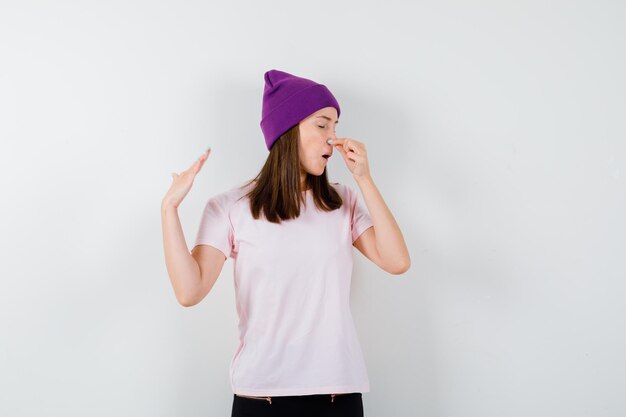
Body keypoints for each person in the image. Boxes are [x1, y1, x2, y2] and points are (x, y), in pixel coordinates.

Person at [161, 69, 411, 417]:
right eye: (322, 125)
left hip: (338, 396)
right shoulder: (230, 207)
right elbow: (190, 291)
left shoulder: (342, 201)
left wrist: (365, 179)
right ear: (288, 130)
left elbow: (396, 261)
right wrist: (169, 209)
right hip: (260, 398)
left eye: (336, 127)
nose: (333, 139)